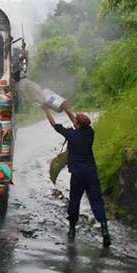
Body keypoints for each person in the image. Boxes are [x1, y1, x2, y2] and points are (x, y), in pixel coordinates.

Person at [43, 103, 111, 247]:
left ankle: (72, 230)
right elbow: (77, 121)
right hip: (91, 173)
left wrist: (46, 110)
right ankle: (104, 229)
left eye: (75, 122)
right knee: (96, 200)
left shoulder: (71, 135)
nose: (73, 122)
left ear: (78, 125)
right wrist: (66, 108)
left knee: (75, 200)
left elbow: (54, 124)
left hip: (78, 175)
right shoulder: (90, 133)